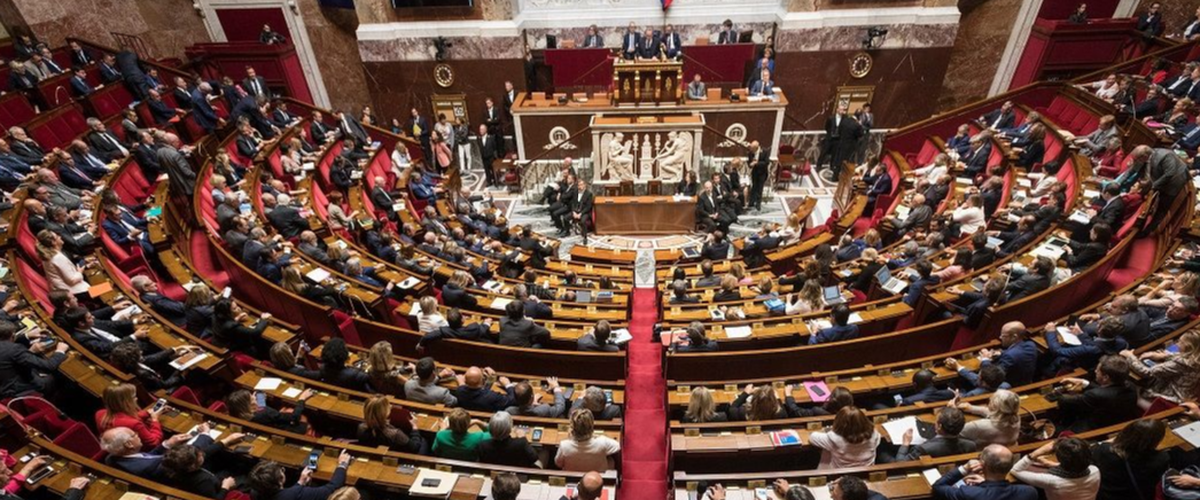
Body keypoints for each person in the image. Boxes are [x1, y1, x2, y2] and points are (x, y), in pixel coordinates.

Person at [1121, 329, 1200, 405]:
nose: (1176, 344)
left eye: (1180, 342)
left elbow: (1147, 372)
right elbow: (1180, 355)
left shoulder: (1181, 363)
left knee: (1128, 386)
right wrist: (1162, 355)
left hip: (1167, 398)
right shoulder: (1195, 359)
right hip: (1181, 394)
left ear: (1188, 346)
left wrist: (1130, 356)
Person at [931, 444, 1037, 500]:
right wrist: (985, 484)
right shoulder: (1029, 492)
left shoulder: (969, 493)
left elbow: (938, 487)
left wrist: (965, 468)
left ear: (982, 464)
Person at [247, 450, 352, 500]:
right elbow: (332, 488)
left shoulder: (255, 493)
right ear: (280, 479)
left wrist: (300, 483)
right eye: (281, 470)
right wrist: (342, 464)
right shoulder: (296, 494)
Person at [95, 383, 164, 449]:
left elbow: (121, 418)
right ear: (126, 402)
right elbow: (154, 442)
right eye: (134, 397)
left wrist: (147, 413)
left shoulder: (99, 414)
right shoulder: (134, 424)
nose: (136, 398)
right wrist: (155, 420)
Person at [808, 406, 880, 469]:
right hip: (866, 473)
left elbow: (812, 437)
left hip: (840, 475)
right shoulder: (874, 435)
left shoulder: (834, 439)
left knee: (826, 451)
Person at [896, 406, 975, 461]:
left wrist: (905, 443)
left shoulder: (923, 449)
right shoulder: (970, 445)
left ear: (939, 426)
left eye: (936, 421)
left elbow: (901, 463)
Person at [555, 409, 620, 471]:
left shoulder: (564, 445)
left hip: (572, 476)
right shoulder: (602, 441)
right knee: (611, 460)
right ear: (591, 426)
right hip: (597, 476)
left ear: (572, 428)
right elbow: (618, 446)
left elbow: (558, 464)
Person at [357, 395, 422, 454]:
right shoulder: (395, 434)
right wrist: (414, 427)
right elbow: (414, 447)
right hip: (394, 458)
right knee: (423, 441)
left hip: (371, 455)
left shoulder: (361, 427)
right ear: (385, 412)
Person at [747, 140, 769, 211]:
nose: (751, 150)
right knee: (754, 187)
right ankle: (751, 202)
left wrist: (757, 163)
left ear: (756, 148)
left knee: (760, 188)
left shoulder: (764, 151)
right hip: (755, 173)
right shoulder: (750, 153)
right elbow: (749, 162)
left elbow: (766, 162)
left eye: (752, 148)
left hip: (762, 173)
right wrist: (750, 164)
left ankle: (758, 203)